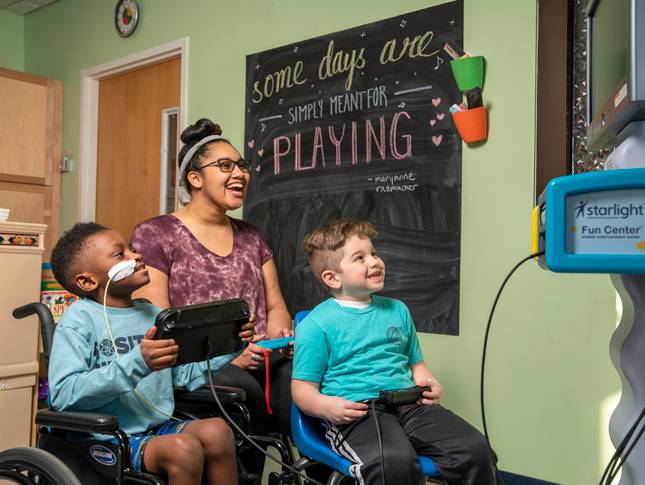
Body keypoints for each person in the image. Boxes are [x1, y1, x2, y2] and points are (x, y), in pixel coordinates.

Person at [130, 118, 293, 476]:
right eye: (225, 165)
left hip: (264, 356)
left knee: (310, 388)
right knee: (244, 392)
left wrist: (281, 332)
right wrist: (229, 356)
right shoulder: (156, 234)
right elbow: (158, 322)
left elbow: (276, 305)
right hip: (197, 366)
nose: (239, 173)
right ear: (195, 178)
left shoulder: (251, 235)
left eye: (242, 165)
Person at [48, 222, 256, 485]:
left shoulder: (152, 314)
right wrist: (138, 362)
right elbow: (64, 395)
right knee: (185, 449)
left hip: (158, 427)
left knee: (219, 431)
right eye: (119, 254)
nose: (136, 256)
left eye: (132, 249)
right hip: (105, 437)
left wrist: (232, 344)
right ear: (88, 281)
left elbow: (182, 375)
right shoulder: (79, 321)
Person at [292, 218, 496, 485]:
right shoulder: (316, 325)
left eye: (374, 254)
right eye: (359, 258)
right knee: (393, 461)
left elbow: (416, 365)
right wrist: (326, 406)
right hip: (359, 413)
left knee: (475, 448)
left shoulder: (397, 310)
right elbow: (302, 388)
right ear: (332, 278)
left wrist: (431, 383)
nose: (374, 262)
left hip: (408, 404)